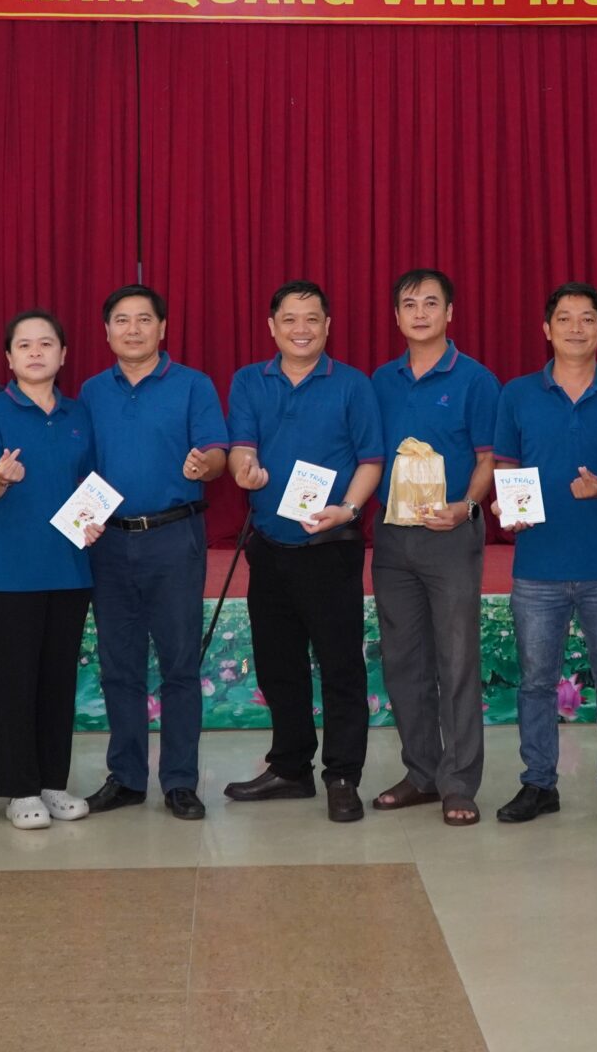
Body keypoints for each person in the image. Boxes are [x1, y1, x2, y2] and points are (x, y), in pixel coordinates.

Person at [224, 280, 384, 823]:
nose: (300, 329)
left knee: (341, 668)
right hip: (269, 546)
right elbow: (241, 448)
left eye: (311, 319)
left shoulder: (353, 385)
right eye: (289, 319)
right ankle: (290, 768)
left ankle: (342, 776)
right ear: (272, 326)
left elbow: (371, 459)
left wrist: (349, 509)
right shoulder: (249, 381)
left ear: (327, 326)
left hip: (330, 545)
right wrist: (245, 470)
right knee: (278, 666)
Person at [492, 283, 597, 829]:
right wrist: (506, 506)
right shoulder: (517, 394)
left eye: (587, 319)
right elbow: (506, 465)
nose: (575, 328)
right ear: (546, 329)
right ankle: (539, 783)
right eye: (564, 318)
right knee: (536, 682)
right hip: (538, 564)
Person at [77, 285, 229, 822]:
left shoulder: (193, 385)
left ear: (162, 328)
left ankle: (180, 781)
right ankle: (126, 777)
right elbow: (79, 463)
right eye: (122, 320)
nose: (134, 329)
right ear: (107, 331)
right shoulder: (91, 391)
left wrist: (205, 465)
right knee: (119, 666)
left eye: (145, 319)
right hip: (110, 542)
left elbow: (217, 453)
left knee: (180, 665)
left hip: (173, 537)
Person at [369, 269, 500, 827]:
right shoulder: (380, 381)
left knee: (457, 658)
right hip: (392, 537)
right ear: (396, 316)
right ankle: (421, 773)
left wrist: (466, 506)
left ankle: (459, 781)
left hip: (450, 534)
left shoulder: (475, 380)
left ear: (450, 313)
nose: (419, 313)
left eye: (430, 303)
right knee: (403, 660)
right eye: (409, 304)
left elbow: (488, 458)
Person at [0, 311, 102, 830]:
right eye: (24, 345)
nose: (36, 352)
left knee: (57, 682)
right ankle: (20, 789)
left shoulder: (79, 413)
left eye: (46, 344)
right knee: (15, 683)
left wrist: (93, 521)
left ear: (63, 354)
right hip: (10, 572)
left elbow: (91, 482)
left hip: (70, 569)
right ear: (8, 357)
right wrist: (0, 477)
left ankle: (53, 782)